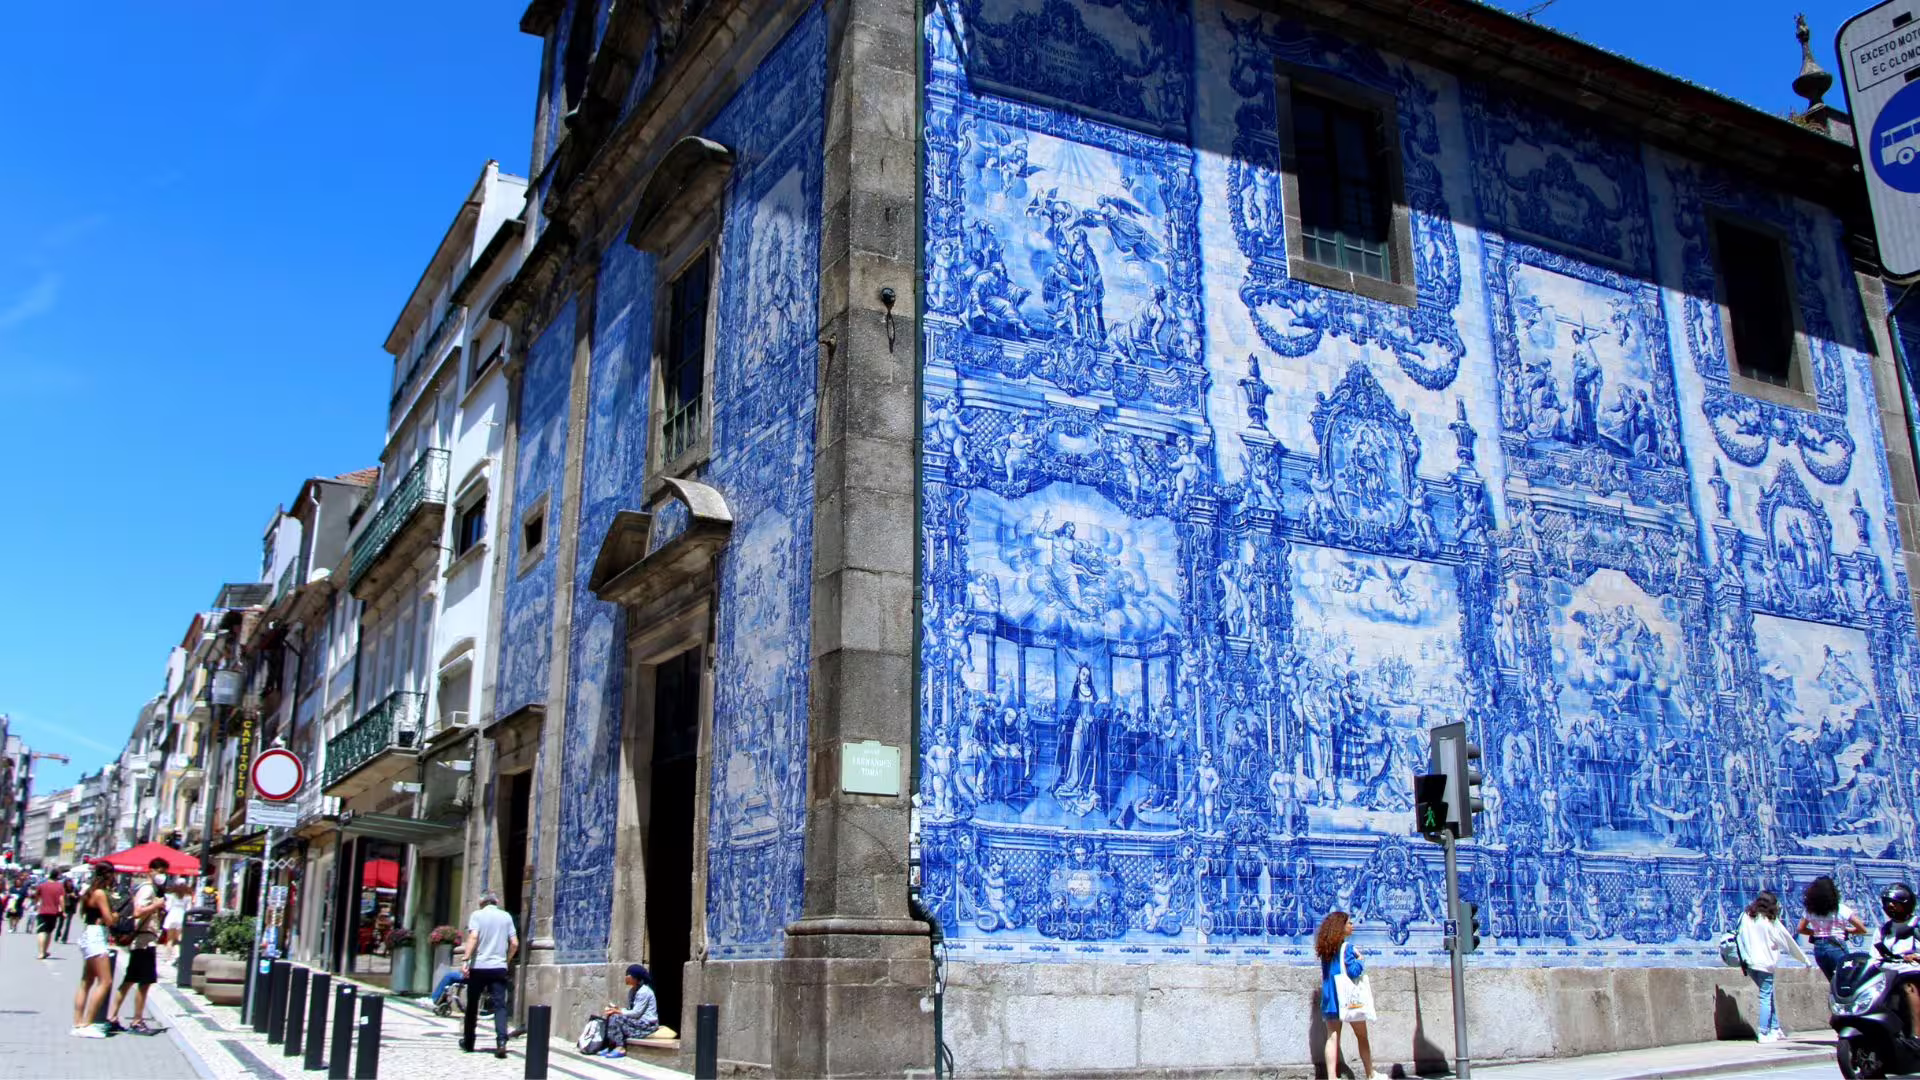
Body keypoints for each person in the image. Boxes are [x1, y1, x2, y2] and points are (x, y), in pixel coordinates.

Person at [1315, 911, 1383, 1080]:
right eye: (1349, 923)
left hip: (1331, 998)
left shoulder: (1326, 949)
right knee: (1362, 1036)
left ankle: (1332, 1077)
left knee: (1332, 1038)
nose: (1352, 925)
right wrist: (1360, 959)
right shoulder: (1348, 949)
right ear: (1341, 927)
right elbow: (1353, 972)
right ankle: (1370, 1074)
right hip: (1348, 998)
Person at [106, 858, 170, 1034]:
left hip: (146, 940)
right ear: (151, 870)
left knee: (131, 980)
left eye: (164, 872)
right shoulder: (147, 889)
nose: (162, 875)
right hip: (143, 942)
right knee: (143, 982)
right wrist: (156, 905)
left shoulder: (151, 889)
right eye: (160, 871)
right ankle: (136, 1021)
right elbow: (137, 912)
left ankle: (112, 1017)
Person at [1737, 890, 1809, 1042]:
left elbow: (1740, 935)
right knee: (1765, 996)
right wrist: (1804, 960)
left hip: (1750, 964)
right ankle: (1763, 1032)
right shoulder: (1771, 921)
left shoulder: (1746, 916)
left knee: (1767, 994)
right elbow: (1788, 942)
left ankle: (1775, 1029)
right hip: (1765, 965)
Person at [460, 891, 519, 1059]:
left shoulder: (477, 915)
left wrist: (465, 959)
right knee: (500, 1005)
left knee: (472, 1005)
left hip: (478, 967)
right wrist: (506, 961)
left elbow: (473, 937)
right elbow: (514, 943)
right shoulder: (506, 916)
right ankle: (501, 1042)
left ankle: (469, 1041)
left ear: (481, 903)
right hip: (498, 967)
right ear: (496, 902)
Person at [71, 862, 117, 1038]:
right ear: (108, 875)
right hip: (97, 936)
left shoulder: (89, 891)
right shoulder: (100, 893)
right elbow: (109, 919)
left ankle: (78, 1022)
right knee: (105, 981)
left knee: (87, 981)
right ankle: (87, 1023)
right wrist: (115, 916)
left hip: (88, 933)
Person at [1797, 875, 1869, 984]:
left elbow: (1801, 929)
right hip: (1836, 946)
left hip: (1819, 948)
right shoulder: (1841, 909)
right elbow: (1862, 929)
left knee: (1832, 982)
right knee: (1845, 981)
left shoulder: (1810, 910)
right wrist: (1848, 930)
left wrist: (1816, 932)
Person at [596, 963, 661, 1058]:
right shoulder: (632, 991)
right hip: (637, 1022)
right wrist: (617, 1009)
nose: (626, 977)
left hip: (647, 1025)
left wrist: (617, 1012)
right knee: (612, 1016)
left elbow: (636, 1013)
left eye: (628, 975)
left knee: (616, 1017)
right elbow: (630, 1010)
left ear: (635, 977)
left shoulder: (644, 991)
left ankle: (620, 1047)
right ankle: (611, 1046)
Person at [34, 873, 67, 959]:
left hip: (43, 911)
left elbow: (36, 896)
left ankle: (41, 952)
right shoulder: (59, 887)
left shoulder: (42, 885)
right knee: (48, 932)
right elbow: (61, 899)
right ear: (57, 878)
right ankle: (44, 951)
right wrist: (63, 911)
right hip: (53, 912)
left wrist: (35, 904)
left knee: (41, 931)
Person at [60, 875, 79, 942]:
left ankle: (64, 938)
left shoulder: (75, 889)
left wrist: (75, 897)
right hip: (63, 906)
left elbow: (78, 899)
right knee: (61, 923)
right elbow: (61, 897)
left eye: (70, 882)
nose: (69, 883)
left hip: (71, 907)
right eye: (68, 882)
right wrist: (68, 895)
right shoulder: (63, 889)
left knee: (68, 923)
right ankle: (58, 933)